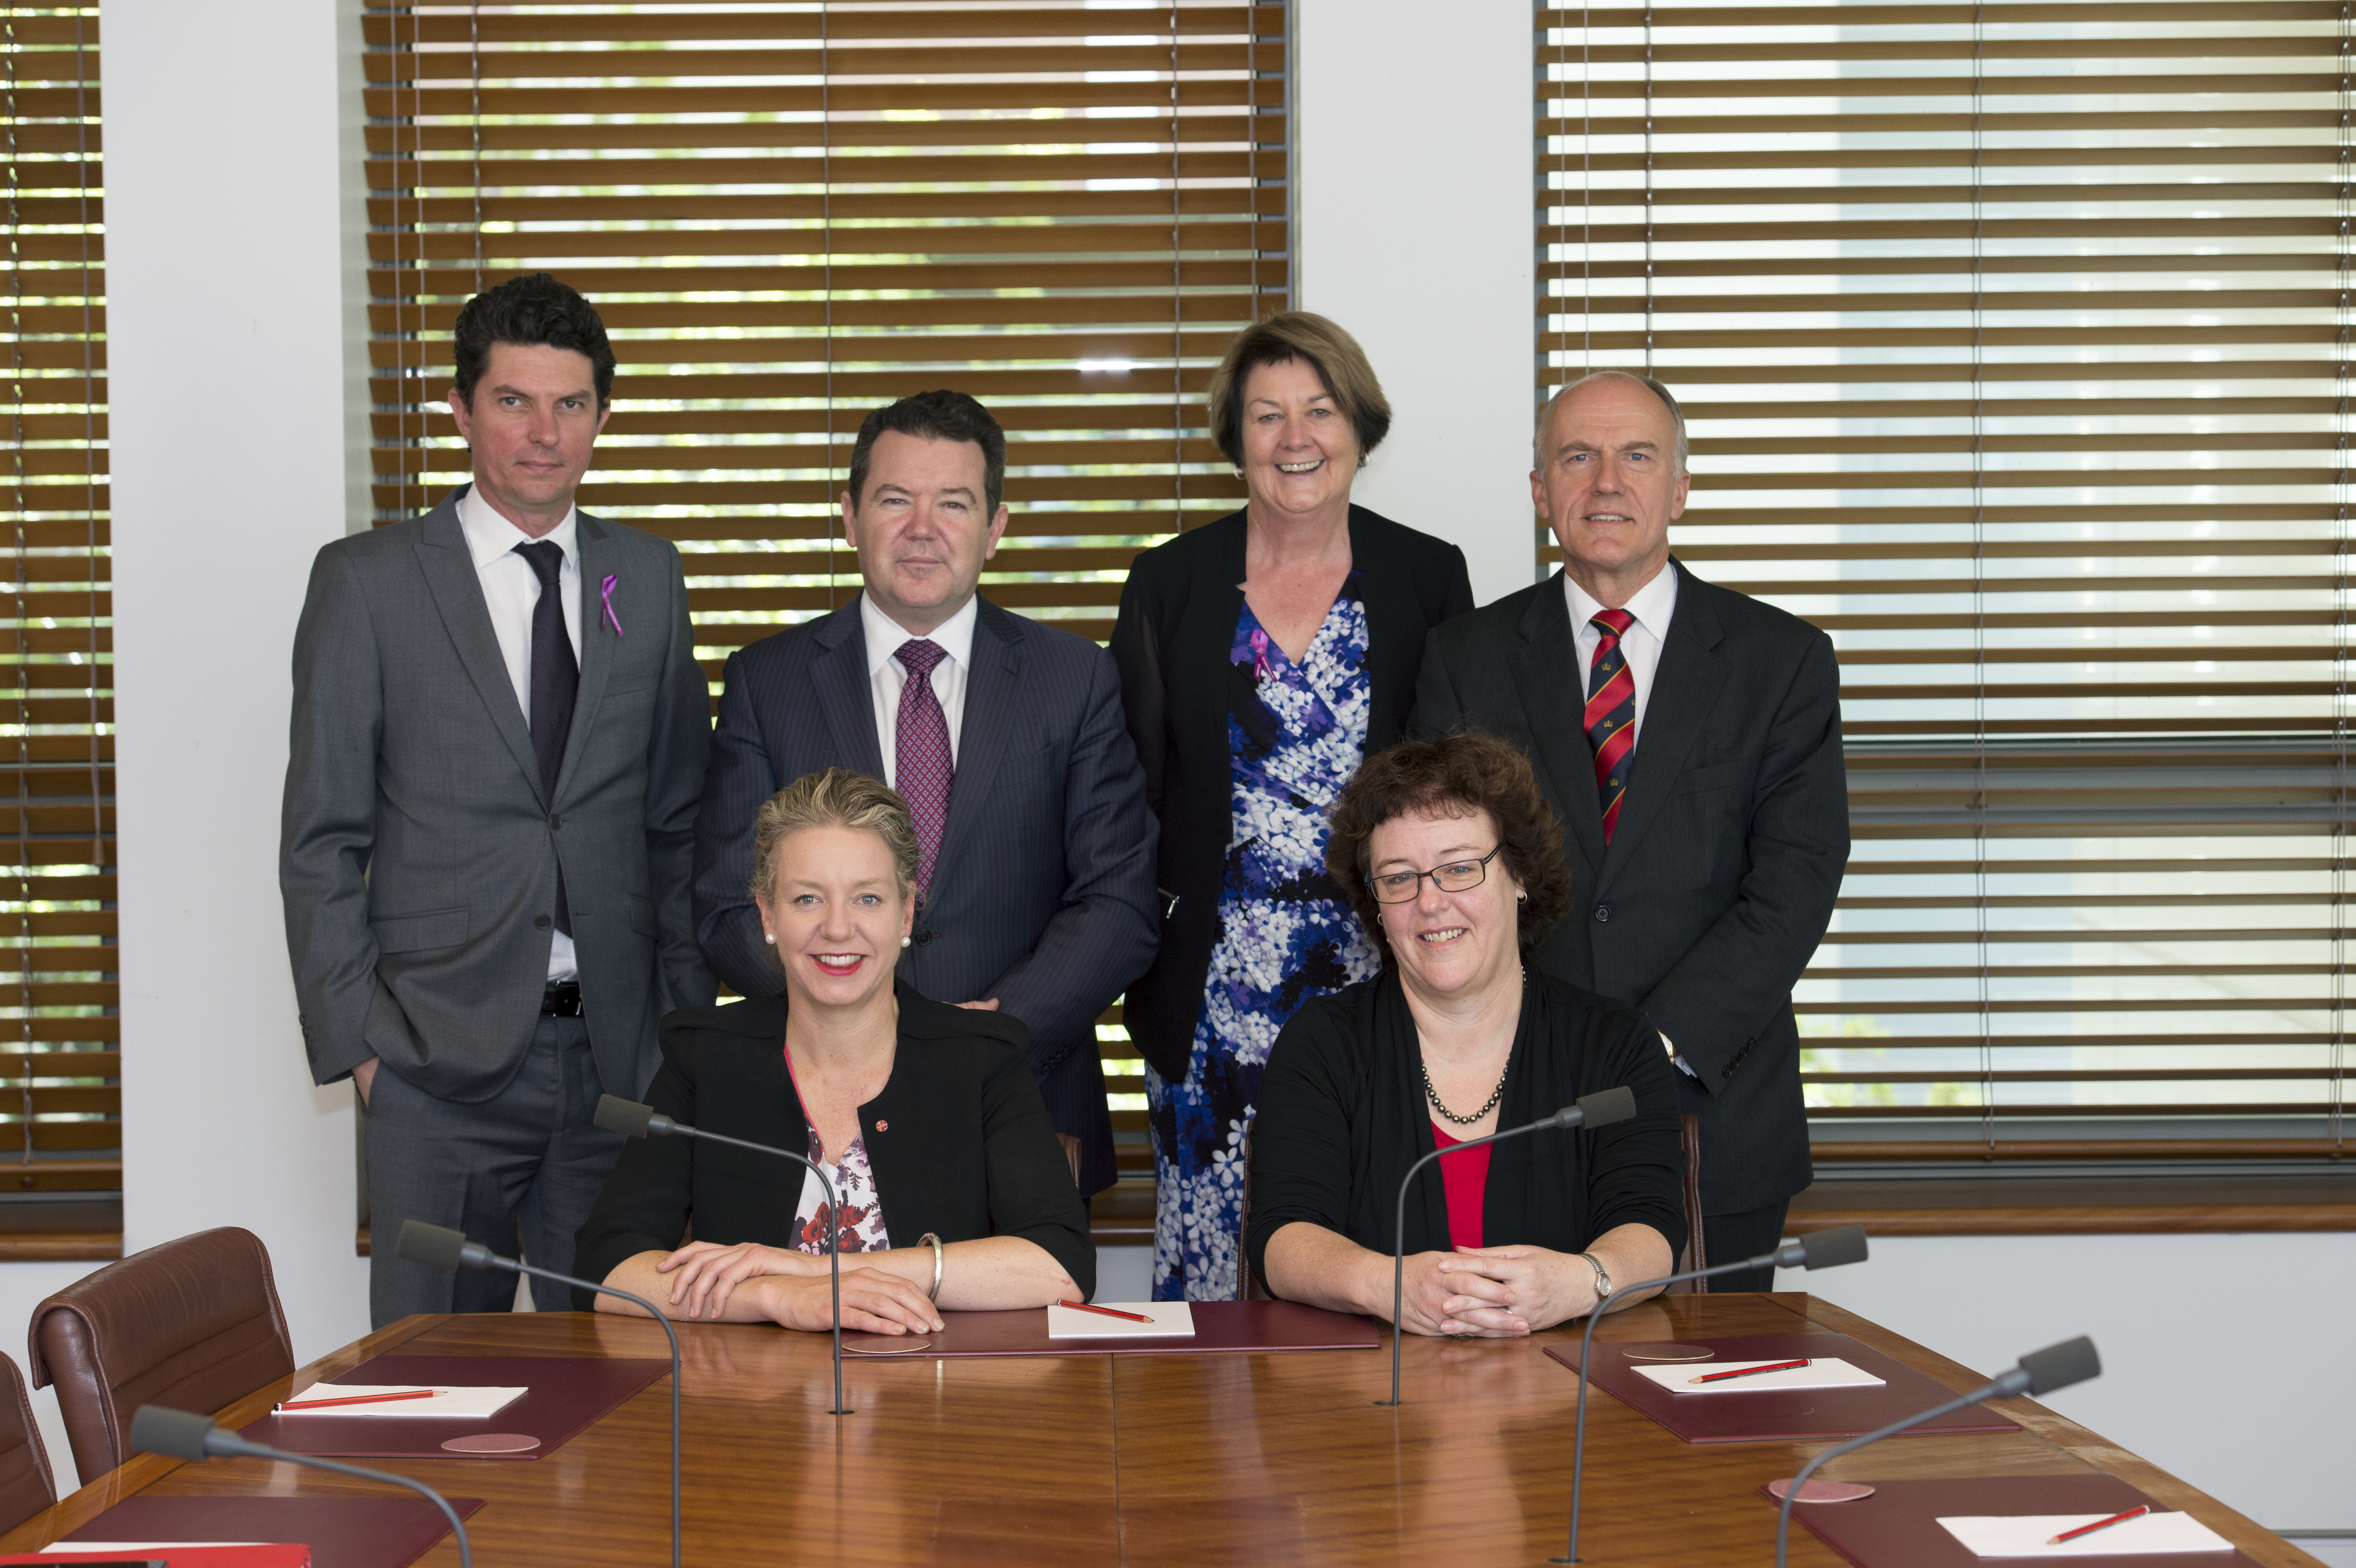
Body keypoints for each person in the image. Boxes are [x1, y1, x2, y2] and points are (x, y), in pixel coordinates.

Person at [281, 272, 716, 1327]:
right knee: (436, 1378)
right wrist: (368, 1050)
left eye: (570, 405)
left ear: (602, 418)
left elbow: (675, 821)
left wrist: (678, 1030)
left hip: (611, 1060)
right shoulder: (369, 582)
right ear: (462, 409)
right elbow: (323, 839)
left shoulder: (647, 578)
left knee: (617, 1376)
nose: (543, 433)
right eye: (514, 401)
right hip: (436, 1069)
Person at [1411, 370, 1848, 1290]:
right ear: (1540, 491)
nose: (1605, 481)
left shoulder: (1782, 662)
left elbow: (1795, 880)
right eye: (1577, 456)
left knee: (1708, 1414)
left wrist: (1646, 1049)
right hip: (1518, 1108)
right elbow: (1441, 876)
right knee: (1520, 1419)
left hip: (1716, 1113)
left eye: (1636, 456)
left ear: (1679, 487)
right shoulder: (1465, 659)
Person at [691, 390, 1158, 1200]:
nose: (922, 528)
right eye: (894, 500)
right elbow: (729, 905)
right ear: (849, 516)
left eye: (953, 503)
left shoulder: (1073, 678)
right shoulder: (767, 681)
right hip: (814, 1103)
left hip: (1024, 1090)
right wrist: (855, 1020)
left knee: (1015, 1326)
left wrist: (985, 1035)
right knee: (824, 1325)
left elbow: (1117, 899)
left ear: (995, 526)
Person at [1111, 312, 1475, 1301]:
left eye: (1319, 409)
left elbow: (1455, 787)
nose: (1294, 436)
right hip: (1212, 995)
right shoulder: (1170, 582)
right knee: (1218, 1281)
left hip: (1383, 981)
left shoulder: (1426, 575)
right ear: (1235, 437)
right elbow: (1130, 797)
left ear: (1360, 427)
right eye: (1265, 414)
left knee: (1374, 1258)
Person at [577, 768, 1092, 1330]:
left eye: (867, 898)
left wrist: (821, 1273)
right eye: (806, 899)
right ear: (768, 915)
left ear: (906, 913)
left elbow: (1060, 1266)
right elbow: (608, 1264)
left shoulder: (981, 1058)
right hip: (745, 1405)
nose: (838, 928)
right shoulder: (705, 1055)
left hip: (936, 1401)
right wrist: (776, 1297)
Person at [1247, 731, 1684, 1333]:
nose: (1430, 902)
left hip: (1570, 1398)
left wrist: (1582, 1281)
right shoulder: (1322, 1044)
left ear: (1519, 874)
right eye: (1399, 878)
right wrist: (1387, 1285)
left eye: (1458, 868)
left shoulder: (1614, 1044)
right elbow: (1283, 1239)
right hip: (1368, 1400)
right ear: (1376, 902)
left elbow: (1649, 1225)